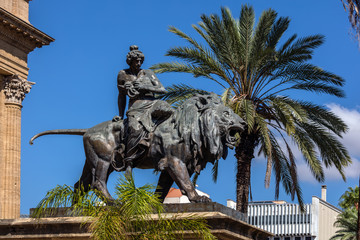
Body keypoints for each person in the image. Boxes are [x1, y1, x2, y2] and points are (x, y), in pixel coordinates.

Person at [116, 45, 173, 172]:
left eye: (141, 61)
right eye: (136, 61)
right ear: (130, 61)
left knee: (170, 114)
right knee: (134, 129)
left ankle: (170, 149)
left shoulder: (148, 73)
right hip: (136, 107)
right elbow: (121, 96)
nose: (139, 63)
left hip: (153, 103)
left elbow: (162, 90)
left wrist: (144, 86)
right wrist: (120, 115)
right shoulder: (123, 74)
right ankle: (130, 160)